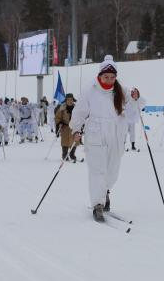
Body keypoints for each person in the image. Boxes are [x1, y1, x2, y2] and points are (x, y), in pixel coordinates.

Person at [69, 55, 138, 222]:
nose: (109, 80)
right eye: (106, 77)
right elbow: (79, 113)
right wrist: (76, 130)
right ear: (99, 76)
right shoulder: (89, 91)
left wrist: (136, 97)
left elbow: (135, 108)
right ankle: (97, 204)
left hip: (116, 135)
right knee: (97, 171)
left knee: (112, 172)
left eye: (112, 77)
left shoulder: (121, 91)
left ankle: (105, 192)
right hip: (96, 135)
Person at [55, 94, 79, 161]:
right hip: (65, 127)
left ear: (73, 100)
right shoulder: (62, 108)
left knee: (74, 141)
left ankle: (72, 154)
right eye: (68, 99)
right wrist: (59, 123)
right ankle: (64, 154)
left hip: (74, 128)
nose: (70, 101)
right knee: (64, 141)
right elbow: (57, 117)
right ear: (66, 100)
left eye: (71, 99)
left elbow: (80, 117)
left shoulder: (77, 108)